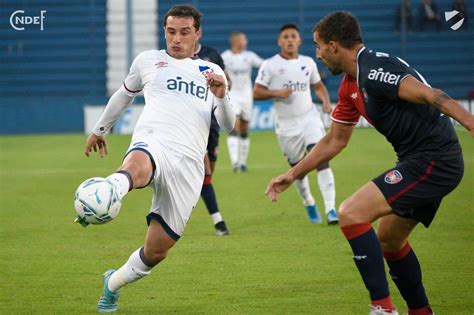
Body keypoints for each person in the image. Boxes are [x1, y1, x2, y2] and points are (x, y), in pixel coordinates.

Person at [266, 11, 473, 315]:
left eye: (319, 46)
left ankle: (382, 308)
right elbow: (335, 140)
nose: (318, 54)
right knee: (389, 240)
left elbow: (431, 95)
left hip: (435, 159)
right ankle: (421, 311)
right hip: (419, 160)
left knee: (351, 213)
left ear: (335, 45)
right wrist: (293, 174)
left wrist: (469, 120)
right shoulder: (349, 85)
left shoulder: (376, 70)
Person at [82, 4, 235, 312]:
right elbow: (124, 94)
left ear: (197, 34)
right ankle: (110, 189)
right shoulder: (149, 60)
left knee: (157, 251)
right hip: (155, 141)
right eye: (170, 32)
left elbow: (229, 125)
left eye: (184, 32)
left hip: (189, 165)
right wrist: (101, 129)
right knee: (137, 165)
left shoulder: (212, 71)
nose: (176, 39)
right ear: (164, 31)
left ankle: (112, 283)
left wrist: (221, 93)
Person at [255, 23, 338, 225]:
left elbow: (318, 86)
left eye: (293, 36)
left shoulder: (308, 62)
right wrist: (276, 93)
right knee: (298, 169)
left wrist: (326, 102)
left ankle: (331, 209)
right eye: (286, 36)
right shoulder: (270, 65)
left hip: (309, 118)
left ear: (300, 40)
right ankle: (308, 202)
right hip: (286, 126)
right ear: (279, 41)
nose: (290, 39)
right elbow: (256, 92)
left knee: (320, 158)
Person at [194, 38, 230, 235]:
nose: (180, 38)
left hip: (213, 122)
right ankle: (219, 222)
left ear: (196, 33)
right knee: (204, 169)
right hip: (193, 123)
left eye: (185, 32)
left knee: (207, 175)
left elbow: (227, 80)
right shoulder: (178, 61)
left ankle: (186, 203)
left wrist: (223, 84)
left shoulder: (212, 56)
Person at [222, 31, 264, 172]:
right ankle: (234, 162)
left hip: (247, 95)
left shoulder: (249, 56)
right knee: (235, 125)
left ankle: (243, 162)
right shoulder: (225, 57)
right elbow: (216, 69)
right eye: (243, 39)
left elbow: (264, 65)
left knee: (244, 128)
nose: (245, 41)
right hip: (232, 94)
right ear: (236, 41)